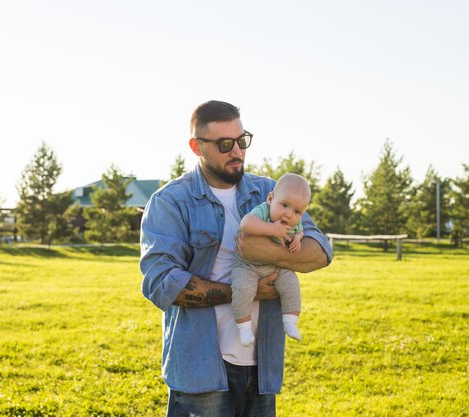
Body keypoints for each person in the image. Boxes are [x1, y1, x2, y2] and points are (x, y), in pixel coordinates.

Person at [140, 100, 332, 417]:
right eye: (225, 143)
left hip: (261, 368)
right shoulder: (170, 202)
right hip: (200, 370)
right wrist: (245, 291)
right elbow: (163, 285)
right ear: (196, 147)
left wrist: (263, 252)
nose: (238, 152)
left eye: (243, 140)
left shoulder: (270, 193)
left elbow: (320, 251)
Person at [231, 173, 311, 347]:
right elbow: (246, 224)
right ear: (270, 199)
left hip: (275, 267)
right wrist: (272, 229)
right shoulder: (263, 211)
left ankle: (290, 322)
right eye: (284, 205)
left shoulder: (293, 222)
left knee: (291, 285)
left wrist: (297, 239)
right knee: (242, 288)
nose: (289, 214)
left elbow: (300, 230)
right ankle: (243, 327)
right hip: (247, 265)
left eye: (297, 211)